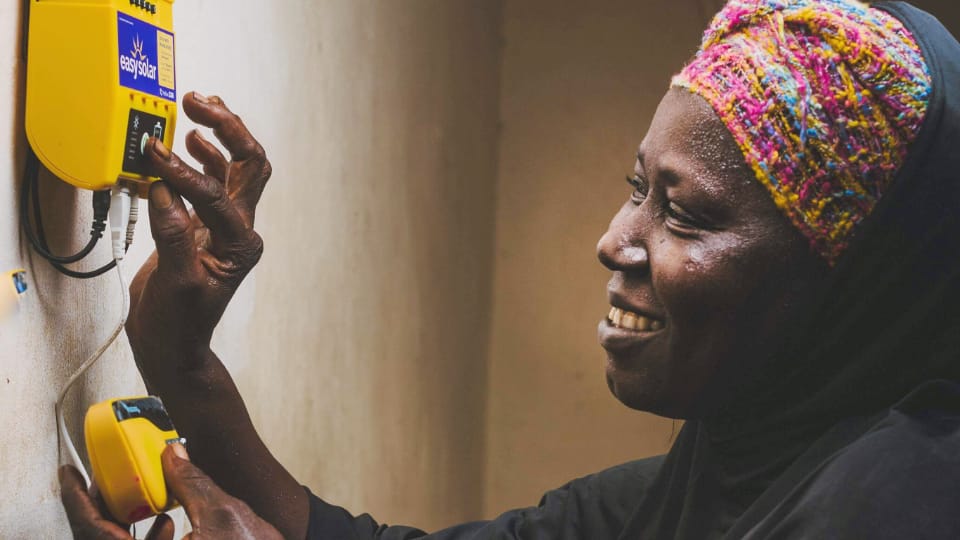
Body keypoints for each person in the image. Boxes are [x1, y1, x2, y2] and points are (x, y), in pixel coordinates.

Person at [59, 0, 960, 538]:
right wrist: (183, 366)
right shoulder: (716, 478)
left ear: (847, 282)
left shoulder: (891, 506)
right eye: (637, 187)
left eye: (684, 213)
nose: (617, 240)